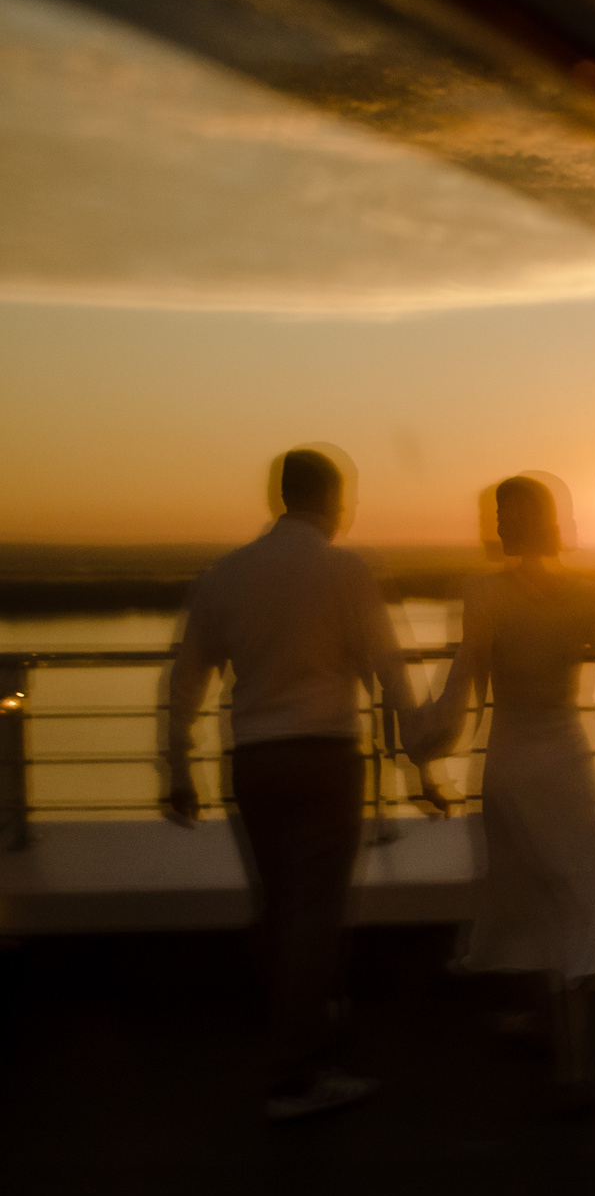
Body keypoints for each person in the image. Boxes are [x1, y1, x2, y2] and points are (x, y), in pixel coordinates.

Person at [165, 448, 432, 1120]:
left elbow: (187, 678)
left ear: (280, 498)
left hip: (254, 760)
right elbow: (389, 673)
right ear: (333, 500)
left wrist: (176, 766)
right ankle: (293, 1076)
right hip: (325, 757)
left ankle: (304, 1032)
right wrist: (420, 765)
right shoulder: (347, 571)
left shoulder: (226, 573)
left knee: (279, 907)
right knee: (315, 917)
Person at [415, 475, 595, 1109]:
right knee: (579, 899)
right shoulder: (587, 594)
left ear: (513, 526)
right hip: (564, 762)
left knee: (526, 893)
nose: (500, 525)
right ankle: (575, 1068)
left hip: (508, 764)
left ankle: (539, 1027)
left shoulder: (482, 593)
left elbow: (460, 687)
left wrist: (425, 755)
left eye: (504, 515)